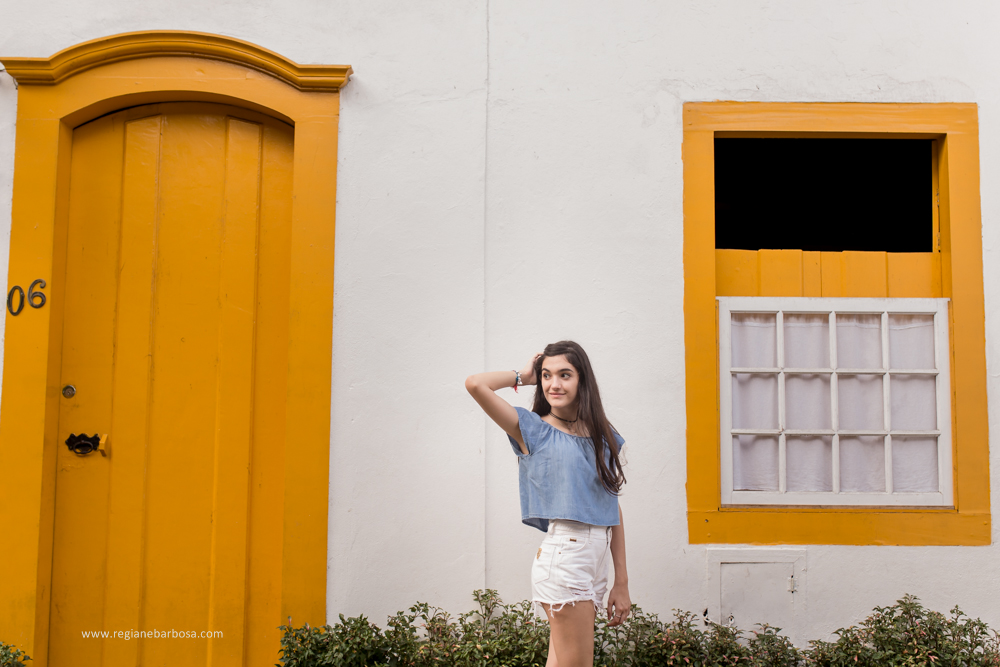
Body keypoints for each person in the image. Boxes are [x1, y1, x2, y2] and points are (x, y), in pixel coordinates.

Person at [465, 341, 630, 667]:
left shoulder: (602, 434)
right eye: (547, 375)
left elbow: (611, 506)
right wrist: (522, 376)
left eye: (565, 374)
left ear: (582, 379)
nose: (554, 384)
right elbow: (475, 384)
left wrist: (621, 581)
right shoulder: (532, 428)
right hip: (565, 557)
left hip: (592, 559)